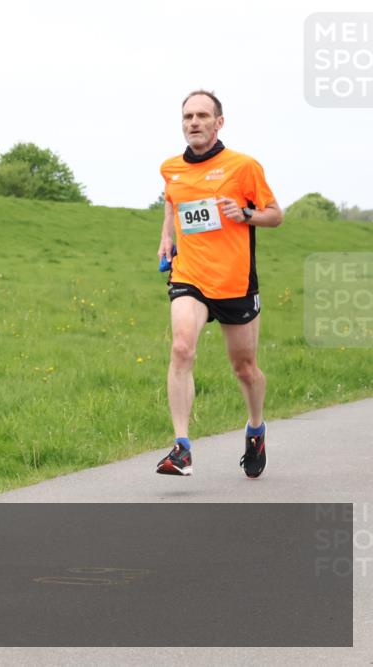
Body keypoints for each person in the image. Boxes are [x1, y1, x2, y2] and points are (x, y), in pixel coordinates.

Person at [155, 90, 283, 478]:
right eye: (187, 116)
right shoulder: (171, 168)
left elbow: (275, 215)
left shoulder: (243, 167)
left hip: (234, 281)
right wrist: (166, 236)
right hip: (189, 275)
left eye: (202, 115)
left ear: (219, 122)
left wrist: (245, 214)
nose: (194, 122)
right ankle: (181, 448)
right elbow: (173, 201)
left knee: (244, 368)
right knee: (181, 347)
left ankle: (256, 429)